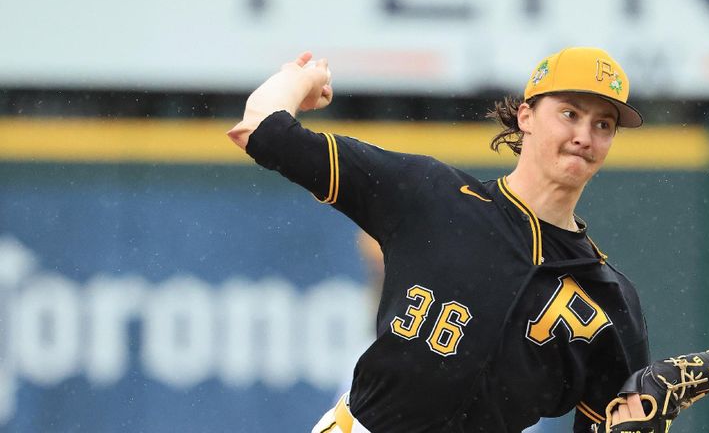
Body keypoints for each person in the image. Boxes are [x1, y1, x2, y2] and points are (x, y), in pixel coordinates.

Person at [228, 47, 650, 432]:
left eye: (603, 124)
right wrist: (300, 78)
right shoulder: (431, 195)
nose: (584, 136)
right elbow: (262, 130)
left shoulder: (610, 300)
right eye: (570, 114)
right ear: (526, 116)